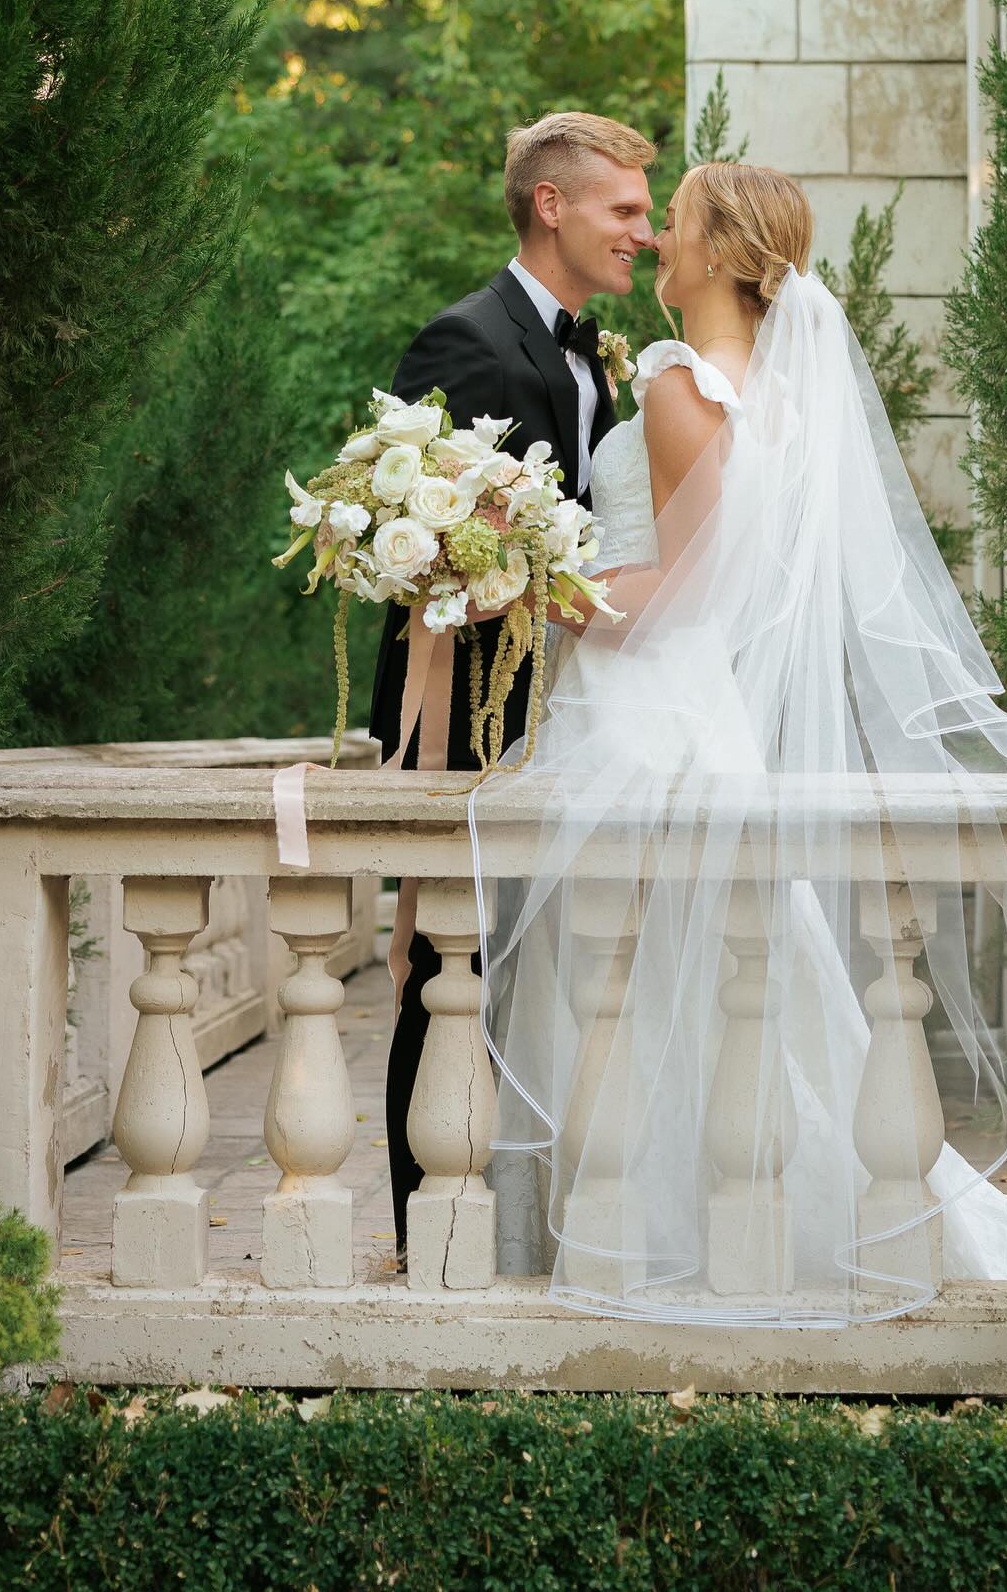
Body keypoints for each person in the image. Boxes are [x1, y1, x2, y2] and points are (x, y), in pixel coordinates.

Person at [469, 163, 1007, 1324]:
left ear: (721, 254)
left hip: (652, 705)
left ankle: (677, 1232)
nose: (659, 247)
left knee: (649, 980)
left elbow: (670, 595)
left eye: (677, 225)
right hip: (697, 706)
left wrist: (525, 575)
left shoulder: (685, 387)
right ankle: (723, 1217)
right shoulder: (774, 397)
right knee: (725, 982)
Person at [370, 109, 657, 1260]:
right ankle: (422, 1233)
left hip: (569, 709)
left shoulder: (589, 350)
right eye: (625, 208)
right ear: (553, 204)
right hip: (473, 715)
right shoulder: (467, 341)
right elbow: (416, 542)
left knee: (534, 980)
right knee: (447, 967)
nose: (644, 229)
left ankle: (513, 1221)